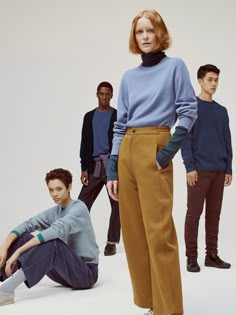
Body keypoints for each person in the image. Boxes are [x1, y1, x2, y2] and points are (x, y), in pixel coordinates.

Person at [107, 9, 197, 315]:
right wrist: (112, 167)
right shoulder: (129, 77)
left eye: (149, 31)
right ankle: (149, 302)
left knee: (159, 232)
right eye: (139, 32)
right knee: (133, 233)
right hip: (128, 149)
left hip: (155, 146)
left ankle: (169, 308)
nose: (144, 37)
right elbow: (120, 125)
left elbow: (188, 111)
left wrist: (166, 152)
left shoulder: (175, 67)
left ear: (160, 33)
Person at [0, 168, 99, 306]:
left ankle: (6, 291)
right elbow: (28, 224)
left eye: (59, 189)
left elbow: (55, 230)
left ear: (69, 187)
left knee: (53, 243)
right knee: (23, 237)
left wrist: (18, 252)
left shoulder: (79, 209)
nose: (55, 194)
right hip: (63, 272)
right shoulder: (55, 211)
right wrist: (4, 247)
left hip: (85, 274)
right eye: (51, 190)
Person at [181, 64, 233, 273]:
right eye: (210, 79)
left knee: (214, 214)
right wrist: (189, 167)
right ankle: (191, 257)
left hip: (219, 171)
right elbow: (186, 139)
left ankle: (211, 255)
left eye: (216, 80)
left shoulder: (222, 111)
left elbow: (227, 141)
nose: (213, 84)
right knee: (193, 214)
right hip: (198, 171)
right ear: (200, 81)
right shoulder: (191, 108)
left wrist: (228, 168)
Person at [78, 81, 120, 256]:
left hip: (112, 166)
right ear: (97, 94)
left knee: (117, 204)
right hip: (94, 166)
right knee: (81, 205)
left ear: (111, 95)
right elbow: (84, 143)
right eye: (101, 93)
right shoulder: (89, 117)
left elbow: (121, 142)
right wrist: (84, 168)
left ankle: (111, 242)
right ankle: (78, 239)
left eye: (107, 94)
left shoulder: (117, 115)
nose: (104, 97)